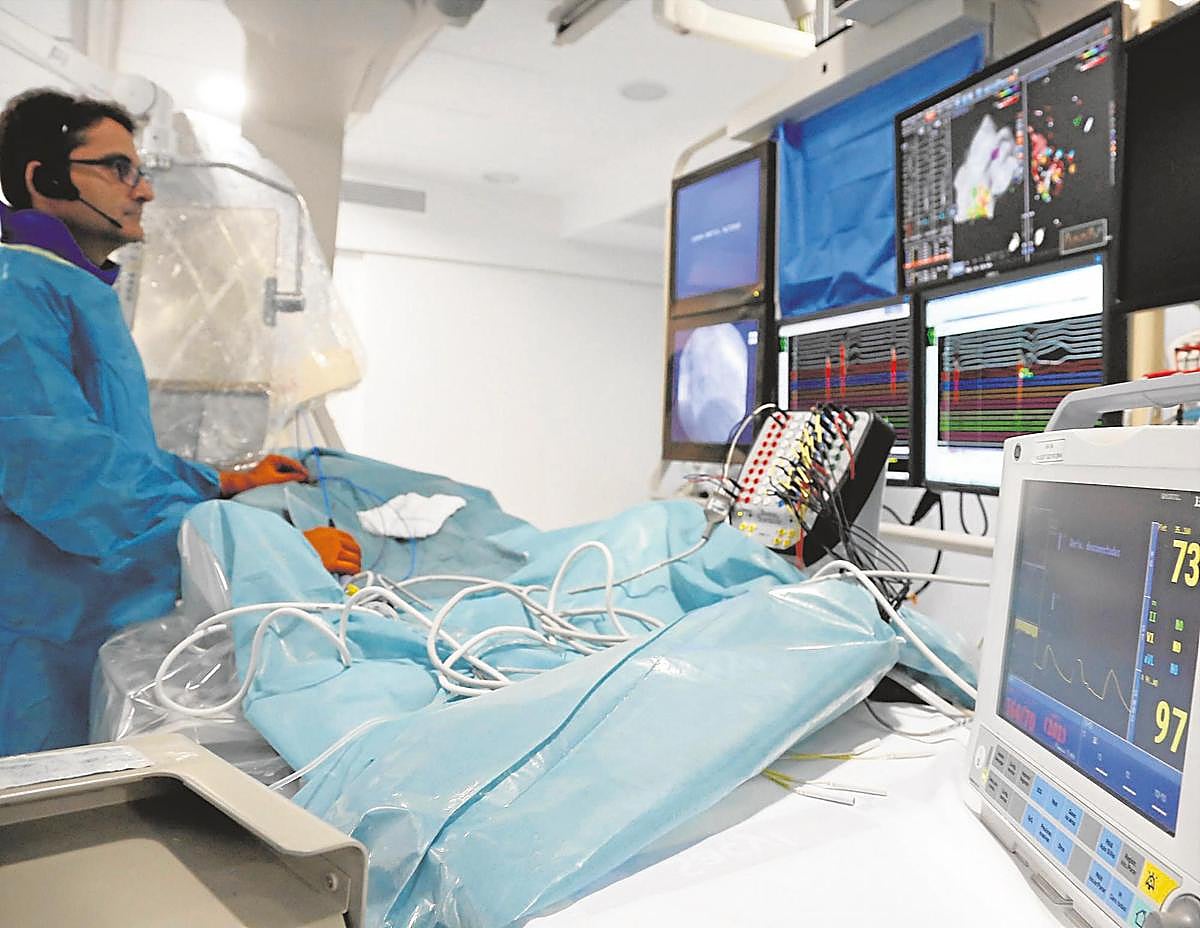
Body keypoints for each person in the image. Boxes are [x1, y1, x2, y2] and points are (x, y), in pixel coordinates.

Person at [0, 89, 360, 756]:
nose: (145, 193)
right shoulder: (16, 291)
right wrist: (259, 552)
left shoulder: (71, 291)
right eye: (120, 169)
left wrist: (218, 478)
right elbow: (66, 472)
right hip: (36, 630)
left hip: (76, 612)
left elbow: (109, 453)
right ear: (42, 177)